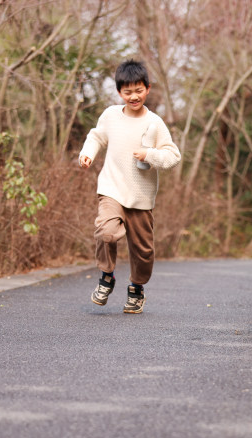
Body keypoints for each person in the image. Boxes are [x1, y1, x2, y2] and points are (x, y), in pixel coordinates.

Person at [79, 59, 181, 313]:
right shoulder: (111, 116)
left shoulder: (155, 123)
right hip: (112, 187)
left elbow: (172, 156)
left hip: (141, 196)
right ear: (119, 92)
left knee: (143, 250)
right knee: (107, 232)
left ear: (147, 89)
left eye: (138, 90)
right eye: (127, 92)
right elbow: (96, 136)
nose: (133, 96)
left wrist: (150, 155)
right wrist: (88, 153)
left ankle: (136, 287)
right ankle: (106, 275)